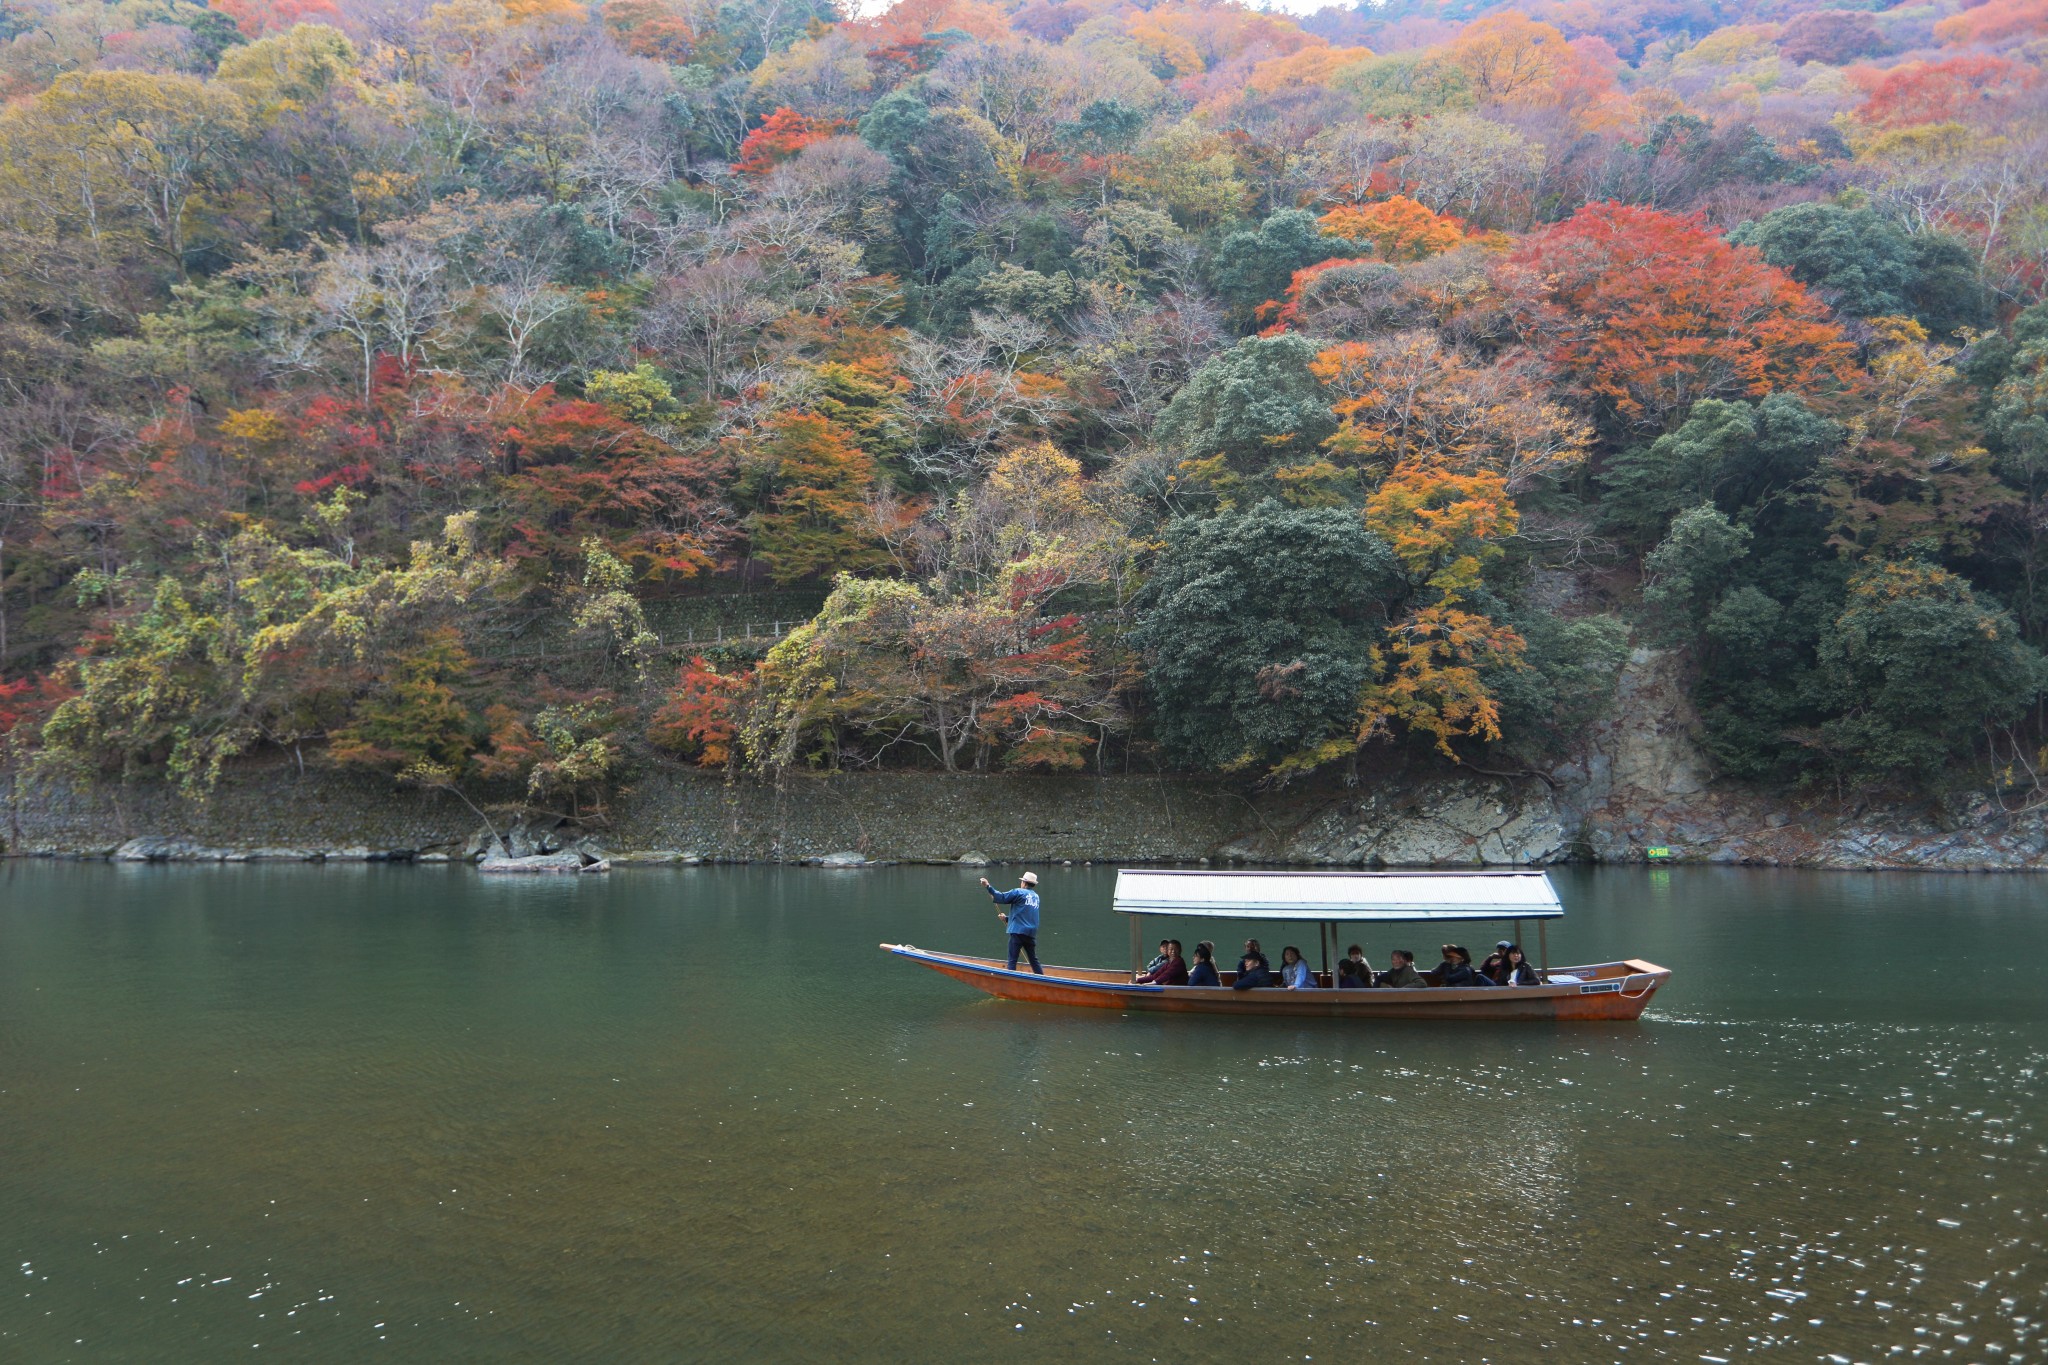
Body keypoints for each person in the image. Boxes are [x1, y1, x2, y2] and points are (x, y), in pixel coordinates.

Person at [979, 871, 1044, 974]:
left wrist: (988, 886)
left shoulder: (1018, 892)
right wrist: (1007, 919)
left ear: (1024, 883)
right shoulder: (1036, 897)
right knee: (1033, 960)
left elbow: (1001, 897)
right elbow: (1027, 915)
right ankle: (1042, 980)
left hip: (1018, 932)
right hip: (1031, 933)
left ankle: (1011, 981)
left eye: (1022, 881)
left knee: (1012, 960)